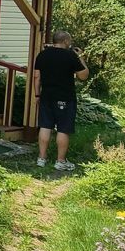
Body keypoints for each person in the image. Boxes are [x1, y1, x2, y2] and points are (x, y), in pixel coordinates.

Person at [33, 30, 89, 171]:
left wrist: (37, 95)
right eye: (69, 41)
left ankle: (41, 158)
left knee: (45, 126)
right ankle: (60, 161)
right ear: (65, 41)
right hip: (65, 98)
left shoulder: (42, 55)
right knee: (63, 129)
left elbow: (36, 77)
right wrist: (81, 57)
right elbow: (83, 76)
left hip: (46, 96)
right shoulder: (70, 55)